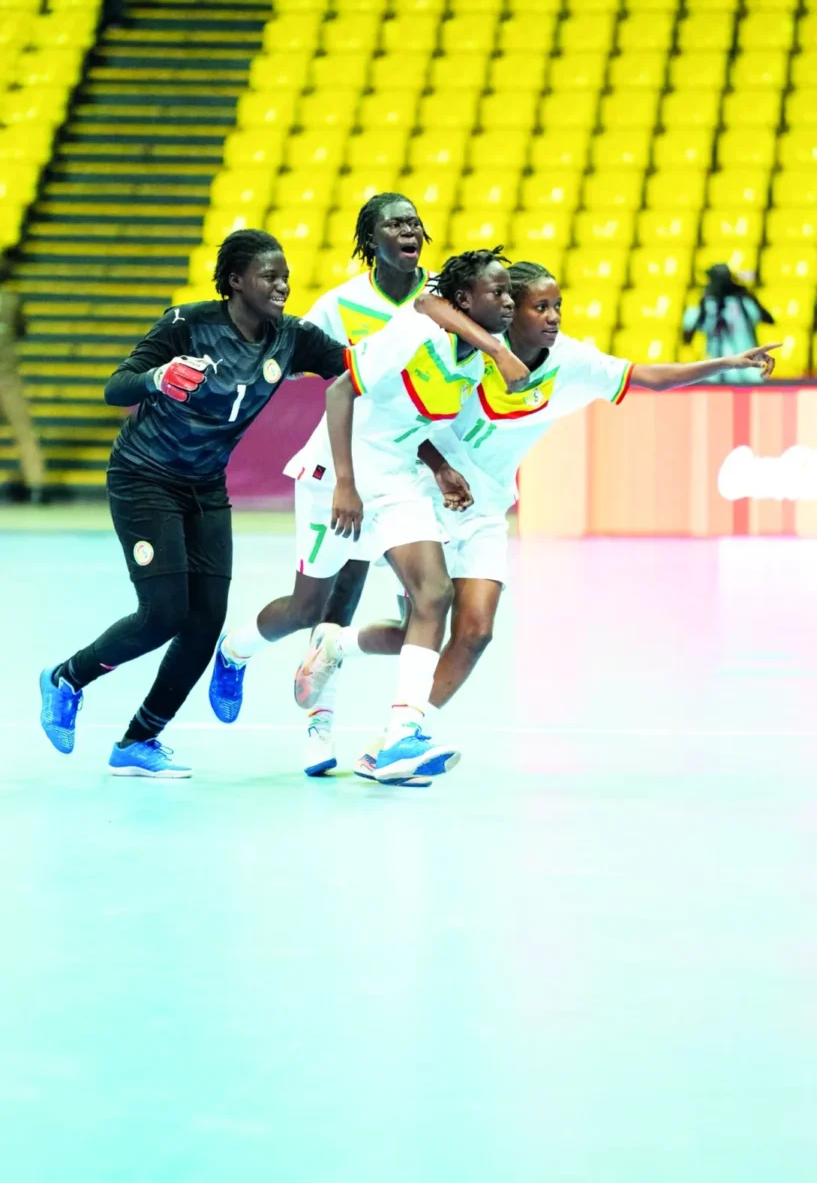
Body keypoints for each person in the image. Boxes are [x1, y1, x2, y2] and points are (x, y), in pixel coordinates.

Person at [294, 259, 782, 778]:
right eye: (539, 306)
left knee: (476, 631)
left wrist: (731, 361)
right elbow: (427, 305)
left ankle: (375, 703)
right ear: (509, 311)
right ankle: (390, 721)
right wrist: (439, 463)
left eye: (557, 307)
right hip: (429, 498)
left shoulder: (571, 361)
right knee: (425, 622)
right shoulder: (468, 344)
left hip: (487, 510)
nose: (552, 317)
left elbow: (651, 378)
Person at [210, 201, 527, 777]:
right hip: (340, 474)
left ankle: (403, 734)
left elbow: (412, 413)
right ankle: (237, 650)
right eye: (498, 294)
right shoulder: (395, 323)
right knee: (312, 605)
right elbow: (339, 391)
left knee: (432, 597)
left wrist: (439, 466)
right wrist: (346, 486)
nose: (508, 303)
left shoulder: (462, 342)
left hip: (400, 476)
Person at [38, 229, 354, 779]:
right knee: (163, 614)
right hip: (144, 477)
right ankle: (67, 677)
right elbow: (118, 387)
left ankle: (138, 742)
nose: (282, 286)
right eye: (269, 276)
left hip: (205, 485)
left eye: (285, 276)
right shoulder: (187, 323)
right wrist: (158, 378)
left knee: (206, 622)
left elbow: (359, 370)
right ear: (235, 281)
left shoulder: (292, 338)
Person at [682, 263, 774, 382]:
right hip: (749, 370)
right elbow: (768, 319)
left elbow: (687, 336)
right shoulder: (745, 301)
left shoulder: (706, 304)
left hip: (717, 371)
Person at [0, 262, 45, 501]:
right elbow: (21, 329)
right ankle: (36, 484)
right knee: (24, 434)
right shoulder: (11, 300)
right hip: (7, 377)